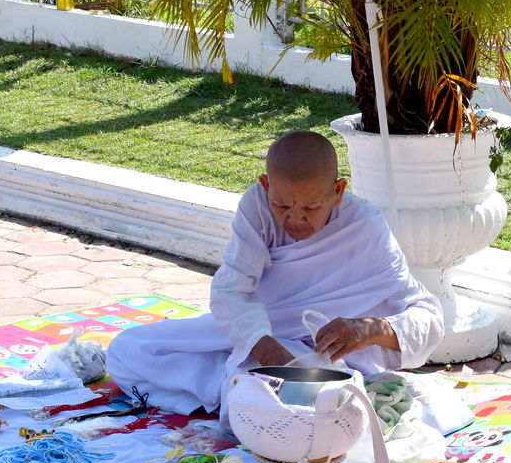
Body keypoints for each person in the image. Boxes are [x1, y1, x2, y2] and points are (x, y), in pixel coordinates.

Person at [107, 130, 444, 428]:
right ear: (265, 185)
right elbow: (231, 289)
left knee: (262, 393)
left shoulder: (365, 226)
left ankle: (245, 393)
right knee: (127, 351)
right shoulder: (256, 206)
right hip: (259, 335)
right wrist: (272, 355)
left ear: (338, 191)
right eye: (282, 206)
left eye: (311, 209)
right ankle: (243, 392)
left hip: (325, 355)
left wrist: (370, 329)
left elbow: (427, 315)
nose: (295, 220)